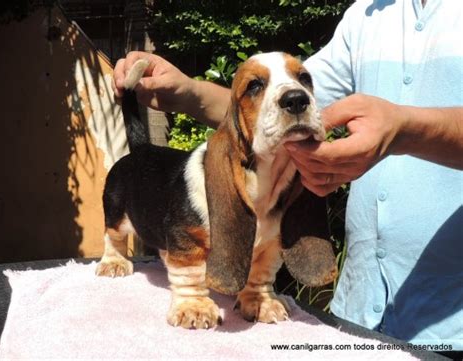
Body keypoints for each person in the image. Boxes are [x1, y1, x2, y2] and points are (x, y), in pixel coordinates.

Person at [112, 0, 463, 350]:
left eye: (302, 79)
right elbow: (268, 112)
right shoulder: (366, 15)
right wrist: (187, 91)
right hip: (358, 314)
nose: (296, 93)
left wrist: (407, 131)